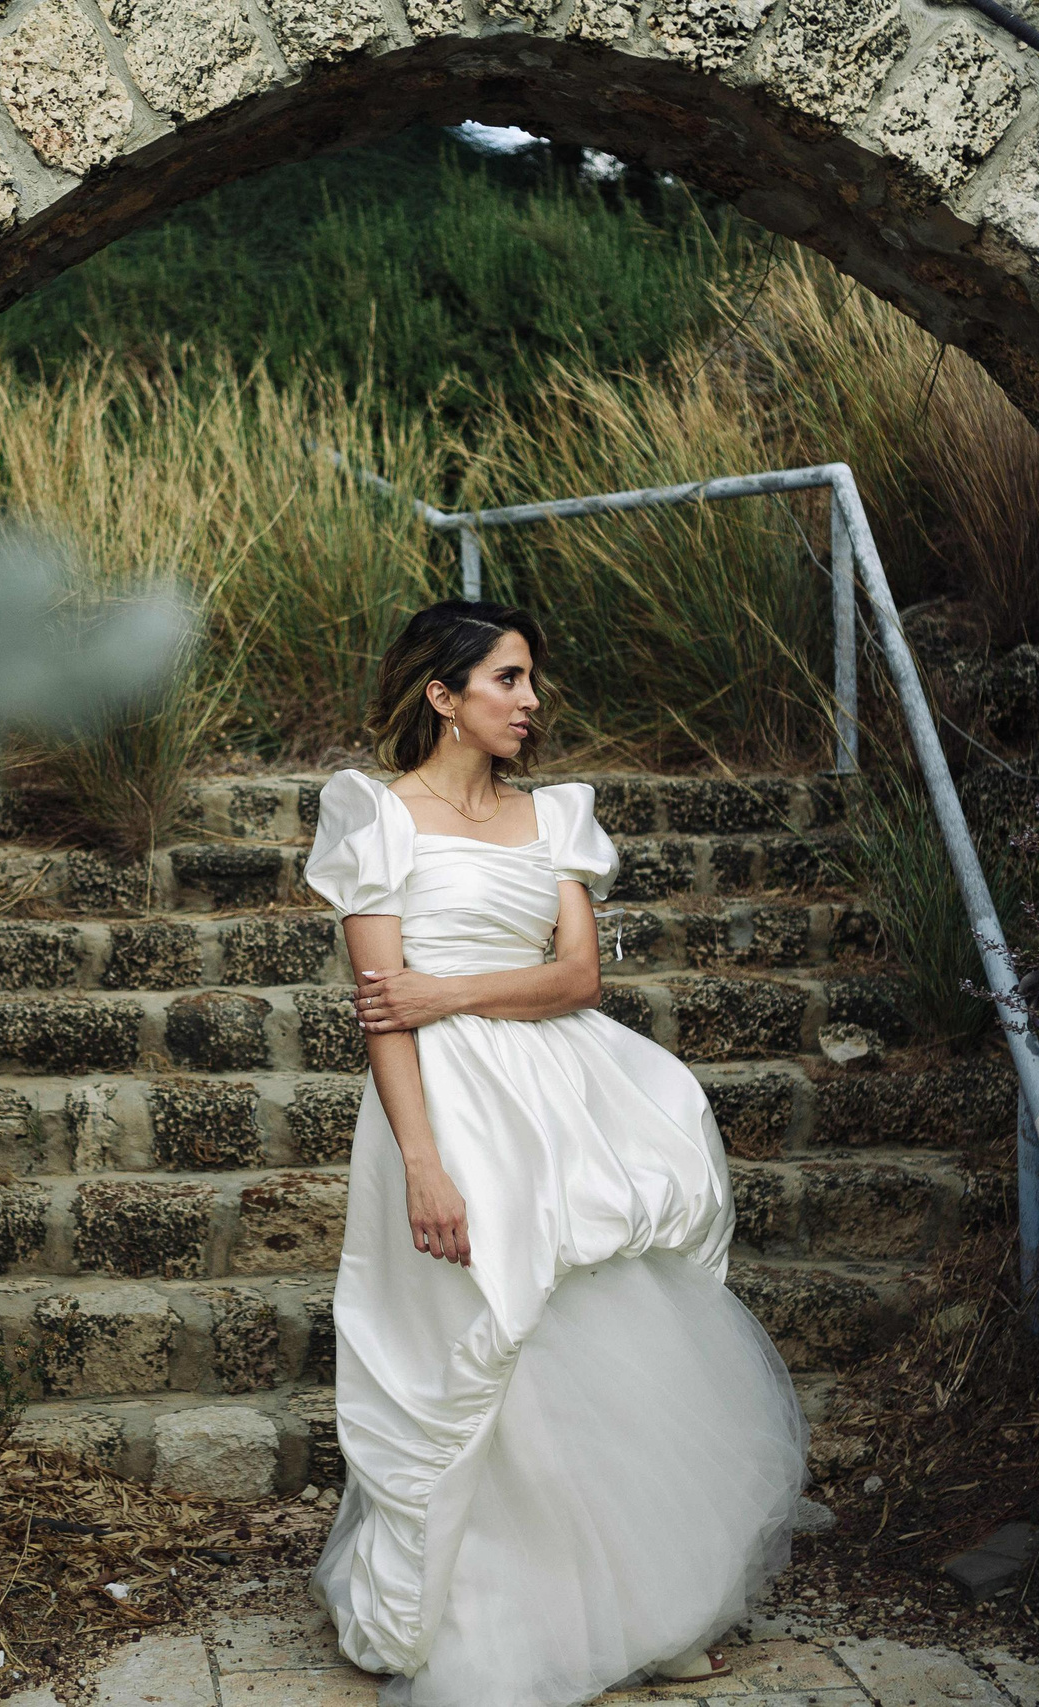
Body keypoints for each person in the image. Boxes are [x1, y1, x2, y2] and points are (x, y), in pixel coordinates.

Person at [305, 600, 808, 1707]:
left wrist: (450, 987)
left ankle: (643, 1599)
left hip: (562, 1086)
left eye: (531, 681)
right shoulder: (376, 819)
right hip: (444, 1107)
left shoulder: (554, 818)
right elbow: (383, 1015)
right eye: (508, 681)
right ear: (444, 696)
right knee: (487, 1346)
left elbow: (577, 980)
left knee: (600, 1336)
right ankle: (503, 1607)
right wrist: (422, 1164)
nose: (531, 703)